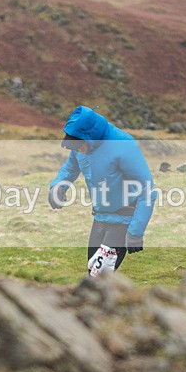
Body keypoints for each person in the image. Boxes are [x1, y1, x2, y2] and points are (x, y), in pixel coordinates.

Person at [48, 105, 156, 275]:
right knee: (93, 274)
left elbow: (147, 189)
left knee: (97, 278)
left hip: (122, 221)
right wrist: (57, 186)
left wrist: (136, 231)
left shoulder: (123, 145)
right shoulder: (80, 145)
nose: (76, 150)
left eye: (78, 146)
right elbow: (70, 168)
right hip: (99, 218)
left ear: (88, 137)